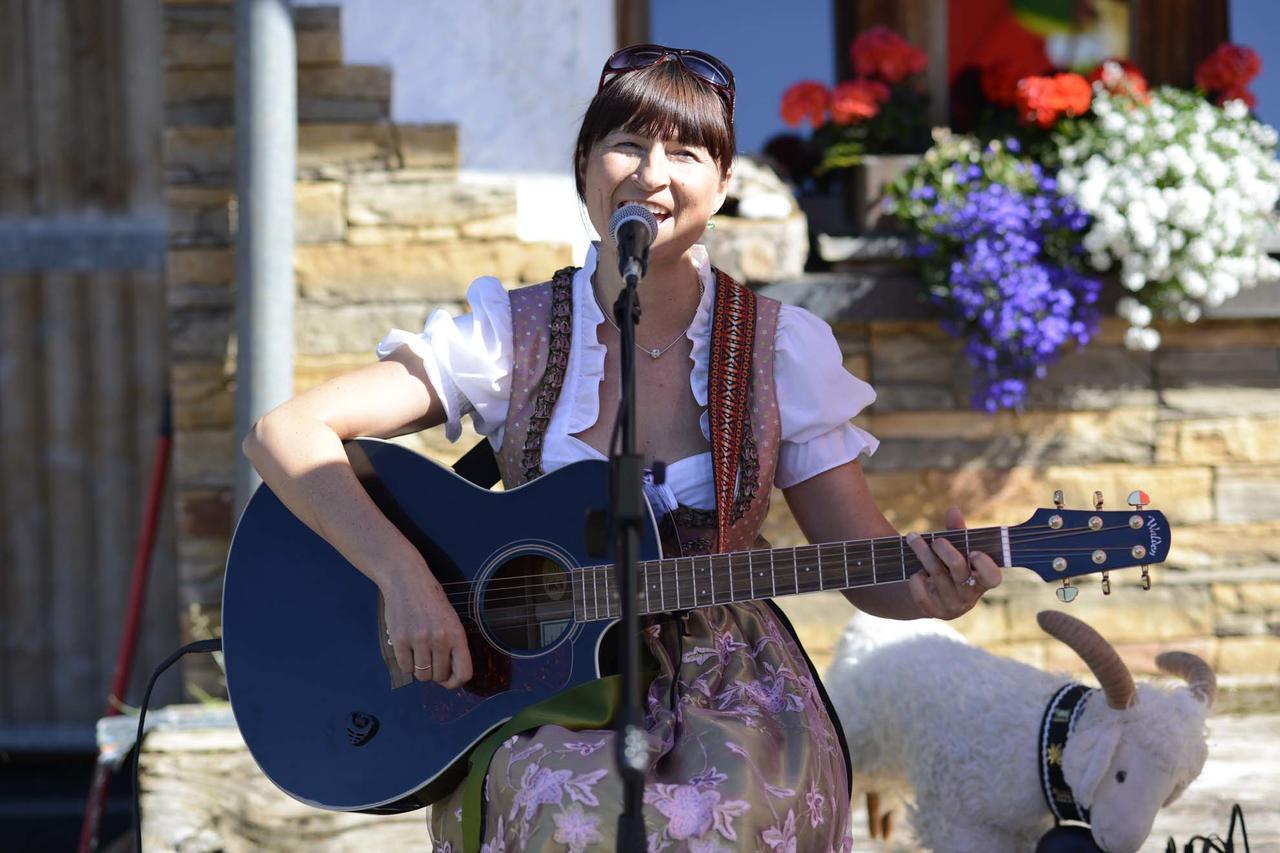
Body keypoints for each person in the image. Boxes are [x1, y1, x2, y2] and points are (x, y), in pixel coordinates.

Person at [242, 44, 1004, 852]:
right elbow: (283, 433)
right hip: (539, 687)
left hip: (731, 693)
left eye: (686, 151)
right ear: (583, 165)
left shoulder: (782, 351)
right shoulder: (512, 335)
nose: (651, 173)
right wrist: (405, 579)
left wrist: (929, 593)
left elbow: (858, 556)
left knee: (721, 819)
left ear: (724, 183)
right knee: (567, 809)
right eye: (628, 143)